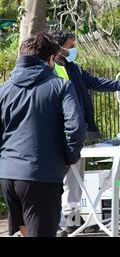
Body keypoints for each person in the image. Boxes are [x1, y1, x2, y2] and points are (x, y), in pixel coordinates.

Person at [0, 33, 85, 237]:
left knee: (26, 233)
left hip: (8, 174)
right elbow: (75, 126)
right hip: (42, 175)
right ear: (50, 60)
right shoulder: (61, 86)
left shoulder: (4, 89)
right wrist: (69, 157)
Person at [50, 30, 120, 236]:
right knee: (59, 178)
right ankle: (58, 221)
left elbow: (96, 82)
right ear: (59, 47)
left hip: (76, 131)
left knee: (75, 177)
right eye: (71, 46)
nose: (74, 50)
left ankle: (72, 219)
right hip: (59, 132)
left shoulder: (74, 68)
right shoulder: (50, 70)